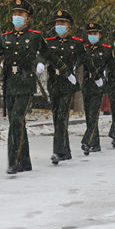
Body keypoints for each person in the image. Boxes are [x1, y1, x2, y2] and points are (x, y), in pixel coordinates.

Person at [0, 0, 76, 174]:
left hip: (26, 83)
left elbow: (49, 55)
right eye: (15, 13)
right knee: (17, 122)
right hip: (10, 84)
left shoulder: (35, 37)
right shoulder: (5, 37)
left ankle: (13, 162)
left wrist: (65, 71)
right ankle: (25, 162)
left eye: (21, 14)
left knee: (16, 119)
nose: (17, 17)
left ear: (28, 18)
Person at [45, 10, 86, 164]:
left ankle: (58, 152)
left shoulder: (76, 42)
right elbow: (43, 55)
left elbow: (83, 57)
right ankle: (66, 151)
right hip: (54, 82)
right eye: (57, 23)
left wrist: (74, 65)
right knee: (57, 118)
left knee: (62, 116)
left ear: (69, 26)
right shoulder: (49, 42)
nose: (59, 26)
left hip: (67, 84)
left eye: (62, 23)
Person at [80, 22, 112, 155]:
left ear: (100, 35)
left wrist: (104, 79)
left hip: (98, 85)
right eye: (90, 34)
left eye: (95, 33)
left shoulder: (106, 49)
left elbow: (110, 66)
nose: (92, 36)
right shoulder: (85, 48)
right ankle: (96, 144)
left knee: (93, 114)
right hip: (87, 85)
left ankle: (87, 141)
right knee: (89, 115)